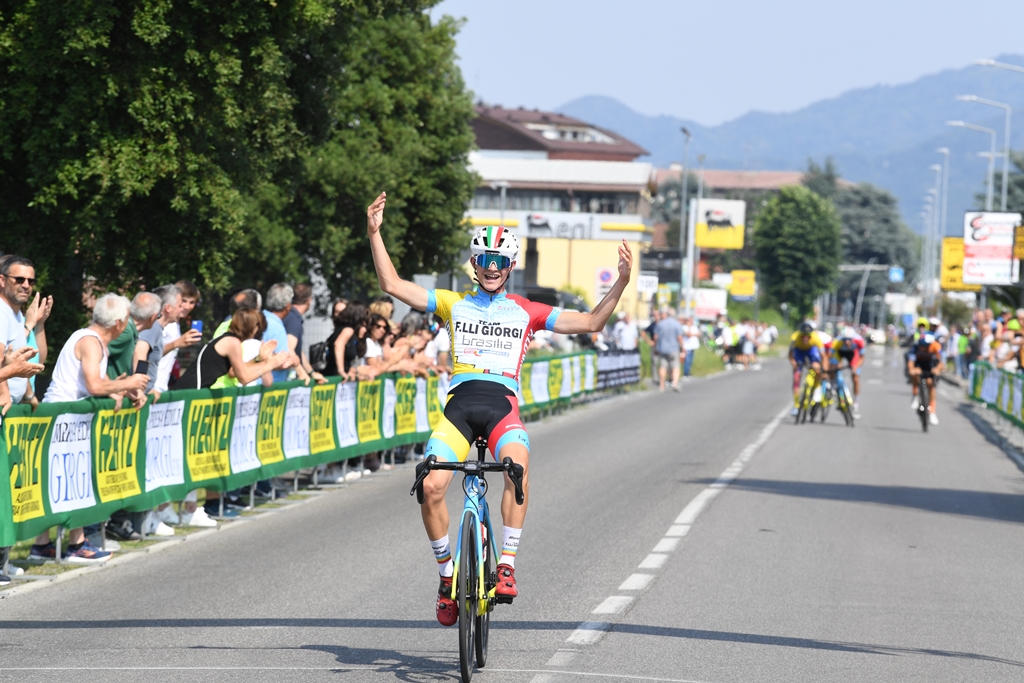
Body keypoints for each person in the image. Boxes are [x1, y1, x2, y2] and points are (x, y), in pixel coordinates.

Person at [365, 191, 632, 626]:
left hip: (502, 407)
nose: (491, 268)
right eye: (484, 260)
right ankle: (446, 577)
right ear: (475, 265)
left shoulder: (525, 310)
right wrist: (375, 233)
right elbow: (392, 286)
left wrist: (619, 282)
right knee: (431, 485)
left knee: (517, 468)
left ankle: (505, 562)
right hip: (460, 406)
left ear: (509, 267)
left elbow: (590, 323)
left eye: (499, 262)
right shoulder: (453, 302)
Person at [29, 294, 150, 564]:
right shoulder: (91, 342)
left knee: (70, 481)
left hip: (68, 422)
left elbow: (100, 381)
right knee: (72, 480)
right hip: (64, 423)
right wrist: (128, 382)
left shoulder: (92, 340)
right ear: (119, 323)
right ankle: (75, 545)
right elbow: (95, 386)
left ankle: (43, 545)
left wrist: (126, 389)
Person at [176, 307, 284, 389]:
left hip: (193, 389)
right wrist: (271, 364)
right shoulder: (232, 343)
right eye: (257, 326)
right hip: (191, 389)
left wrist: (260, 359)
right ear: (251, 327)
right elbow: (244, 378)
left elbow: (241, 370)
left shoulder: (231, 340)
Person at [789, 321, 828, 417]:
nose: (805, 338)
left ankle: (817, 390)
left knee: (816, 368)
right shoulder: (795, 338)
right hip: (799, 351)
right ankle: (796, 405)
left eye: (808, 336)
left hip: (811, 350)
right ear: (800, 334)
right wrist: (794, 364)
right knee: (796, 377)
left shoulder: (816, 339)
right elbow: (790, 356)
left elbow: (824, 357)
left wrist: (824, 371)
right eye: (803, 335)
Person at [908, 332, 944, 425]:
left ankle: (932, 411)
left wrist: (937, 369)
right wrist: (912, 369)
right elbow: (911, 361)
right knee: (915, 375)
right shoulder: (916, 347)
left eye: (926, 345)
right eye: (922, 345)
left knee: (930, 384)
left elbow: (941, 362)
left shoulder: (936, 346)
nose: (923, 347)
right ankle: (915, 395)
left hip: (930, 365)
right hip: (919, 364)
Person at [830, 326, 866, 418]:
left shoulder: (859, 341)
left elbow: (862, 357)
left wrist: (856, 367)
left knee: (855, 377)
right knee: (833, 369)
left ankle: (856, 404)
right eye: (845, 339)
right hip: (839, 353)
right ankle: (833, 389)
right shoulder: (837, 342)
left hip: (853, 355)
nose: (847, 342)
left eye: (849, 340)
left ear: (853, 338)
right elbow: (830, 355)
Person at [652, 307, 683, 391]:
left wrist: (655, 347)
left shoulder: (660, 324)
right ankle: (675, 383)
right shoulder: (676, 324)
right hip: (673, 348)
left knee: (662, 366)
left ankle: (662, 385)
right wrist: (683, 348)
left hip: (662, 348)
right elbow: (679, 337)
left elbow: (655, 337)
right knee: (675, 366)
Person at [681, 316, 701, 380]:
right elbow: (688, 335)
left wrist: (693, 334)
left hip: (693, 346)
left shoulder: (694, 327)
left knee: (690, 360)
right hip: (687, 347)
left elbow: (698, 334)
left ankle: (688, 372)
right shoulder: (684, 327)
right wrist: (689, 328)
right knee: (687, 360)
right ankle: (685, 374)